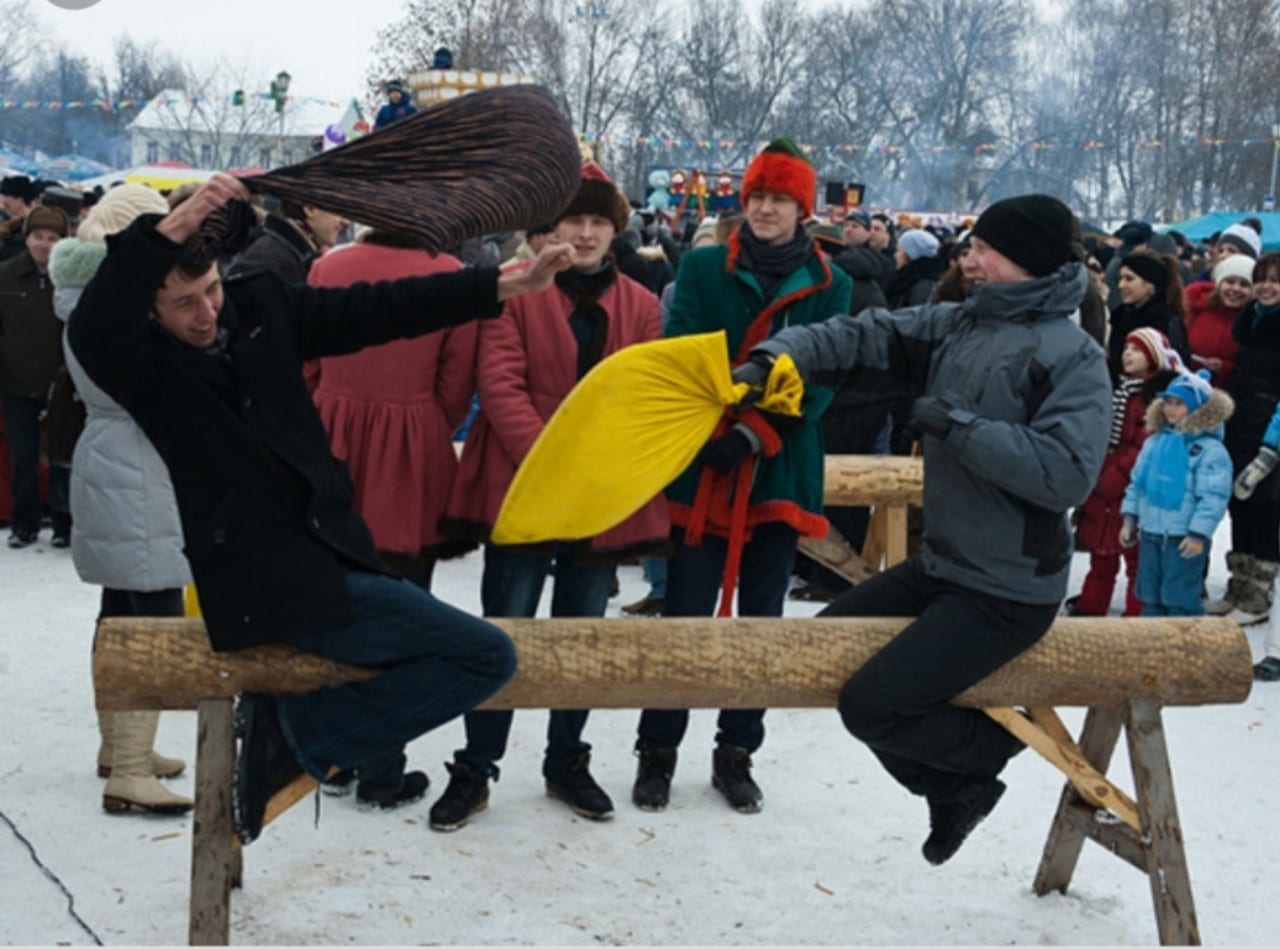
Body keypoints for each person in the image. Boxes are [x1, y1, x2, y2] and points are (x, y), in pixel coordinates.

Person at [65, 173, 574, 844]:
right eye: (184, 302)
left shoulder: (256, 306)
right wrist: (173, 227)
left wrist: (499, 286)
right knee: (485, 658)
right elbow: (98, 317)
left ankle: (296, 730)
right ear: (150, 310)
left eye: (211, 288)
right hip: (266, 584)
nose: (205, 312)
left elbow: (376, 310)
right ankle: (297, 735)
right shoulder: (141, 364)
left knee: (470, 656)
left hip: (333, 550)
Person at [729, 193, 1111, 863]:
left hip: (1007, 589)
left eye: (986, 249)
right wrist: (775, 356)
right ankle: (955, 785)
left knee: (871, 704)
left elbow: (1066, 474)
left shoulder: (1072, 355)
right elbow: (863, 333)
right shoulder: (964, 322)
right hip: (946, 563)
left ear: (1025, 262)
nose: (972, 258)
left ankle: (991, 750)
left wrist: (957, 428)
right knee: (830, 650)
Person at [431, 162, 668, 830]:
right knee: (503, 630)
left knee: (579, 635)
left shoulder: (643, 307)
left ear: (614, 229)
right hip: (524, 485)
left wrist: (595, 467)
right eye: (574, 220)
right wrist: (553, 459)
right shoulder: (516, 292)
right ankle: (476, 765)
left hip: (599, 495)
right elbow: (500, 384)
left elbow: (641, 395)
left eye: (598, 221)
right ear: (551, 228)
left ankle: (567, 758)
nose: (586, 233)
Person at [631, 137, 853, 815]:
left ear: (801, 209)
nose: (764, 208)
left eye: (779, 199)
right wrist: (722, 425)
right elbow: (686, 350)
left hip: (779, 462)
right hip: (705, 457)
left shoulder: (831, 283)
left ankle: (737, 751)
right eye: (757, 195)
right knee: (684, 615)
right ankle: (657, 750)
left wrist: (758, 430)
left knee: (762, 615)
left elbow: (825, 374)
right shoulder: (701, 267)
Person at [306, 225, 480, 810]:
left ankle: (329, 755)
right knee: (407, 608)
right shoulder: (452, 275)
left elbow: (304, 364)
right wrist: (420, 423)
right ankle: (383, 769)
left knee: (332, 599)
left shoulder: (328, 266)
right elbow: (456, 388)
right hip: (412, 445)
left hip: (331, 433)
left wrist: (329, 406)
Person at [48, 183, 194, 815]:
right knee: (154, 619)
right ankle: (131, 767)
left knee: (119, 614)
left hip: (114, 458)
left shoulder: (85, 299)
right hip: (140, 466)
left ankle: (120, 747)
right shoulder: (121, 308)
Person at [1066, 328, 1178, 617]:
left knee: (1136, 560)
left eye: (1137, 349)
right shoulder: (1116, 392)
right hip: (1103, 490)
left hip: (1133, 492)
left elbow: (1144, 446)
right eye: (1126, 347)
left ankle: (1136, 614)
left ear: (1153, 356)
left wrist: (1111, 476)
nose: (1128, 353)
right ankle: (1091, 606)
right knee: (1101, 555)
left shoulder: (1158, 402)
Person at [1120, 369, 1233, 617]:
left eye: (1179, 403)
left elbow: (1213, 497)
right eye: (1167, 402)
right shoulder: (1154, 443)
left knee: (1178, 595)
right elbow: (1138, 484)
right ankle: (1152, 647)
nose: (1170, 409)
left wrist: (1198, 533)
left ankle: (1184, 648)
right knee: (1149, 593)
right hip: (1150, 533)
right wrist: (1130, 518)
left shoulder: (1209, 451)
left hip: (1182, 538)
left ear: (1198, 408)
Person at [1210, 253, 1280, 625]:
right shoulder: (1252, 320)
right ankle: (1238, 585)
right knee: (1240, 504)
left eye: (1275, 280)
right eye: (1262, 279)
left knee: (1265, 511)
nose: (1267, 286)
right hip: (1242, 424)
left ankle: (1258, 595)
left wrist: (1272, 447)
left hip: (1270, 432)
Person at [0, 206, 72, 548]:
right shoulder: (6, 276)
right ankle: (24, 522)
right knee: (22, 458)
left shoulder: (70, 279)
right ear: (26, 238)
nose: (44, 245)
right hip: (15, 383)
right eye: (38, 237)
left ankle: (63, 523)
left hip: (60, 383)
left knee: (62, 458)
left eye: (52, 238)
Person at [1107, 249, 1191, 376]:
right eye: (1121, 278)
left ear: (1150, 285)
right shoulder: (1120, 317)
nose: (1121, 285)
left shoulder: (1166, 321)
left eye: (1129, 279)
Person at [1183, 255, 1252, 390]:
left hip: (1226, 393)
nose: (1236, 288)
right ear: (1219, 284)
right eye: (1230, 282)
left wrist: (1224, 367)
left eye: (1244, 284)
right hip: (1185, 385)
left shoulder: (1252, 321)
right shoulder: (1195, 307)